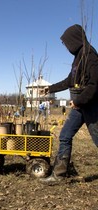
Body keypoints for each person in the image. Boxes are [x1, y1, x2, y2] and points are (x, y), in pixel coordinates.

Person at [40, 24, 98, 183]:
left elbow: (95, 85)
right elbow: (70, 81)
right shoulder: (78, 58)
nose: (66, 47)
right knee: (65, 135)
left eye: (66, 43)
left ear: (74, 39)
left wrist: (78, 100)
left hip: (91, 105)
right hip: (80, 107)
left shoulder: (90, 56)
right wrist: (50, 89)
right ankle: (59, 175)